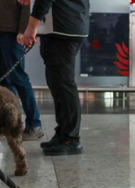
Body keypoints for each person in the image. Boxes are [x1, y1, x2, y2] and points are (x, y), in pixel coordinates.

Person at [20, 0, 88, 156]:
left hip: (62, 28)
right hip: (62, 27)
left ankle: (71, 138)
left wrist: (31, 27)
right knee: (57, 83)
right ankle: (63, 133)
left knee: (63, 84)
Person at [0, 0, 44, 140]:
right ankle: (11, 123)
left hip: (11, 34)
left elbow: (26, 6)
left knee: (19, 79)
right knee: (2, 80)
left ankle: (34, 124)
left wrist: (22, 30)